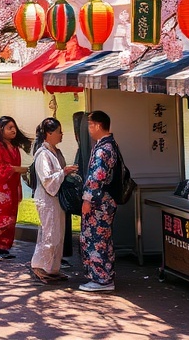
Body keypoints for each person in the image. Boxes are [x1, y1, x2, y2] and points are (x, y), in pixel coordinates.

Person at [30, 117, 77, 284]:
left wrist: (67, 173)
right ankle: (41, 267)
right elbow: (48, 180)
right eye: (58, 132)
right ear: (49, 134)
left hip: (56, 200)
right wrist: (63, 172)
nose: (61, 135)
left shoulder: (55, 152)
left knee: (57, 234)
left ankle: (52, 268)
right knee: (49, 234)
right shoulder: (43, 154)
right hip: (47, 200)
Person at [0, 115, 31, 260]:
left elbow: (14, 169)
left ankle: (2, 247)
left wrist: (19, 186)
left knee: (12, 219)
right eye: (10, 128)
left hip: (13, 187)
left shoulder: (14, 147)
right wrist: (16, 169)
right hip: (1, 189)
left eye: (14, 127)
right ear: (1, 129)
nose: (13, 130)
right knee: (3, 219)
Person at [80, 110, 119, 291]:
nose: (89, 129)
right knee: (103, 238)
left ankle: (101, 279)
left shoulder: (103, 149)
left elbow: (96, 178)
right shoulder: (109, 145)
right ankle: (105, 276)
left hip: (99, 203)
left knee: (96, 238)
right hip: (106, 202)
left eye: (90, 125)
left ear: (97, 125)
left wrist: (87, 200)